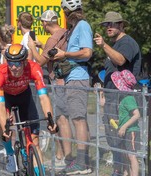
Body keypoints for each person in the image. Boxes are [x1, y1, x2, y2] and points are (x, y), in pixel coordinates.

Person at [0, 44, 58, 174]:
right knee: (2, 127)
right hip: (6, 99)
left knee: (34, 141)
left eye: (17, 63)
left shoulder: (34, 68)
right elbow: (0, 105)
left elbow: (43, 97)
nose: (14, 67)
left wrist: (50, 120)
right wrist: (5, 125)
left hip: (24, 97)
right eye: (10, 62)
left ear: (24, 61)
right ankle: (10, 153)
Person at [94, 11, 142, 176]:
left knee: (125, 141)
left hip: (123, 99)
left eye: (113, 24)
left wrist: (103, 46)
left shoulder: (127, 43)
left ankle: (125, 172)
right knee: (114, 138)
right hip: (112, 98)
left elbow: (121, 60)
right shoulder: (115, 44)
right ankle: (120, 171)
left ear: (121, 25)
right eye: (107, 24)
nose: (109, 27)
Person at [28, 9, 71, 168]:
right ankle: (62, 155)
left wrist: (32, 47)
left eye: (42, 23)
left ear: (45, 23)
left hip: (58, 82)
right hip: (66, 79)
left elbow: (39, 62)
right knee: (60, 118)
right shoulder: (64, 33)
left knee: (60, 118)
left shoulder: (53, 38)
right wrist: (42, 45)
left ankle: (66, 157)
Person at [54, 0, 93, 174]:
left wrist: (65, 54)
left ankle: (82, 163)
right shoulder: (75, 28)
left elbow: (87, 53)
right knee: (78, 119)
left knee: (78, 120)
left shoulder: (83, 25)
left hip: (78, 79)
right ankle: (81, 160)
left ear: (67, 12)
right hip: (73, 78)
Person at [111, 70, 140, 176]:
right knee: (125, 155)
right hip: (125, 130)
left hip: (131, 131)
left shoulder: (128, 99)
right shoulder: (124, 99)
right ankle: (126, 173)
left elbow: (136, 115)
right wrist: (119, 122)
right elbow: (127, 116)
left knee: (132, 156)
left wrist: (124, 127)